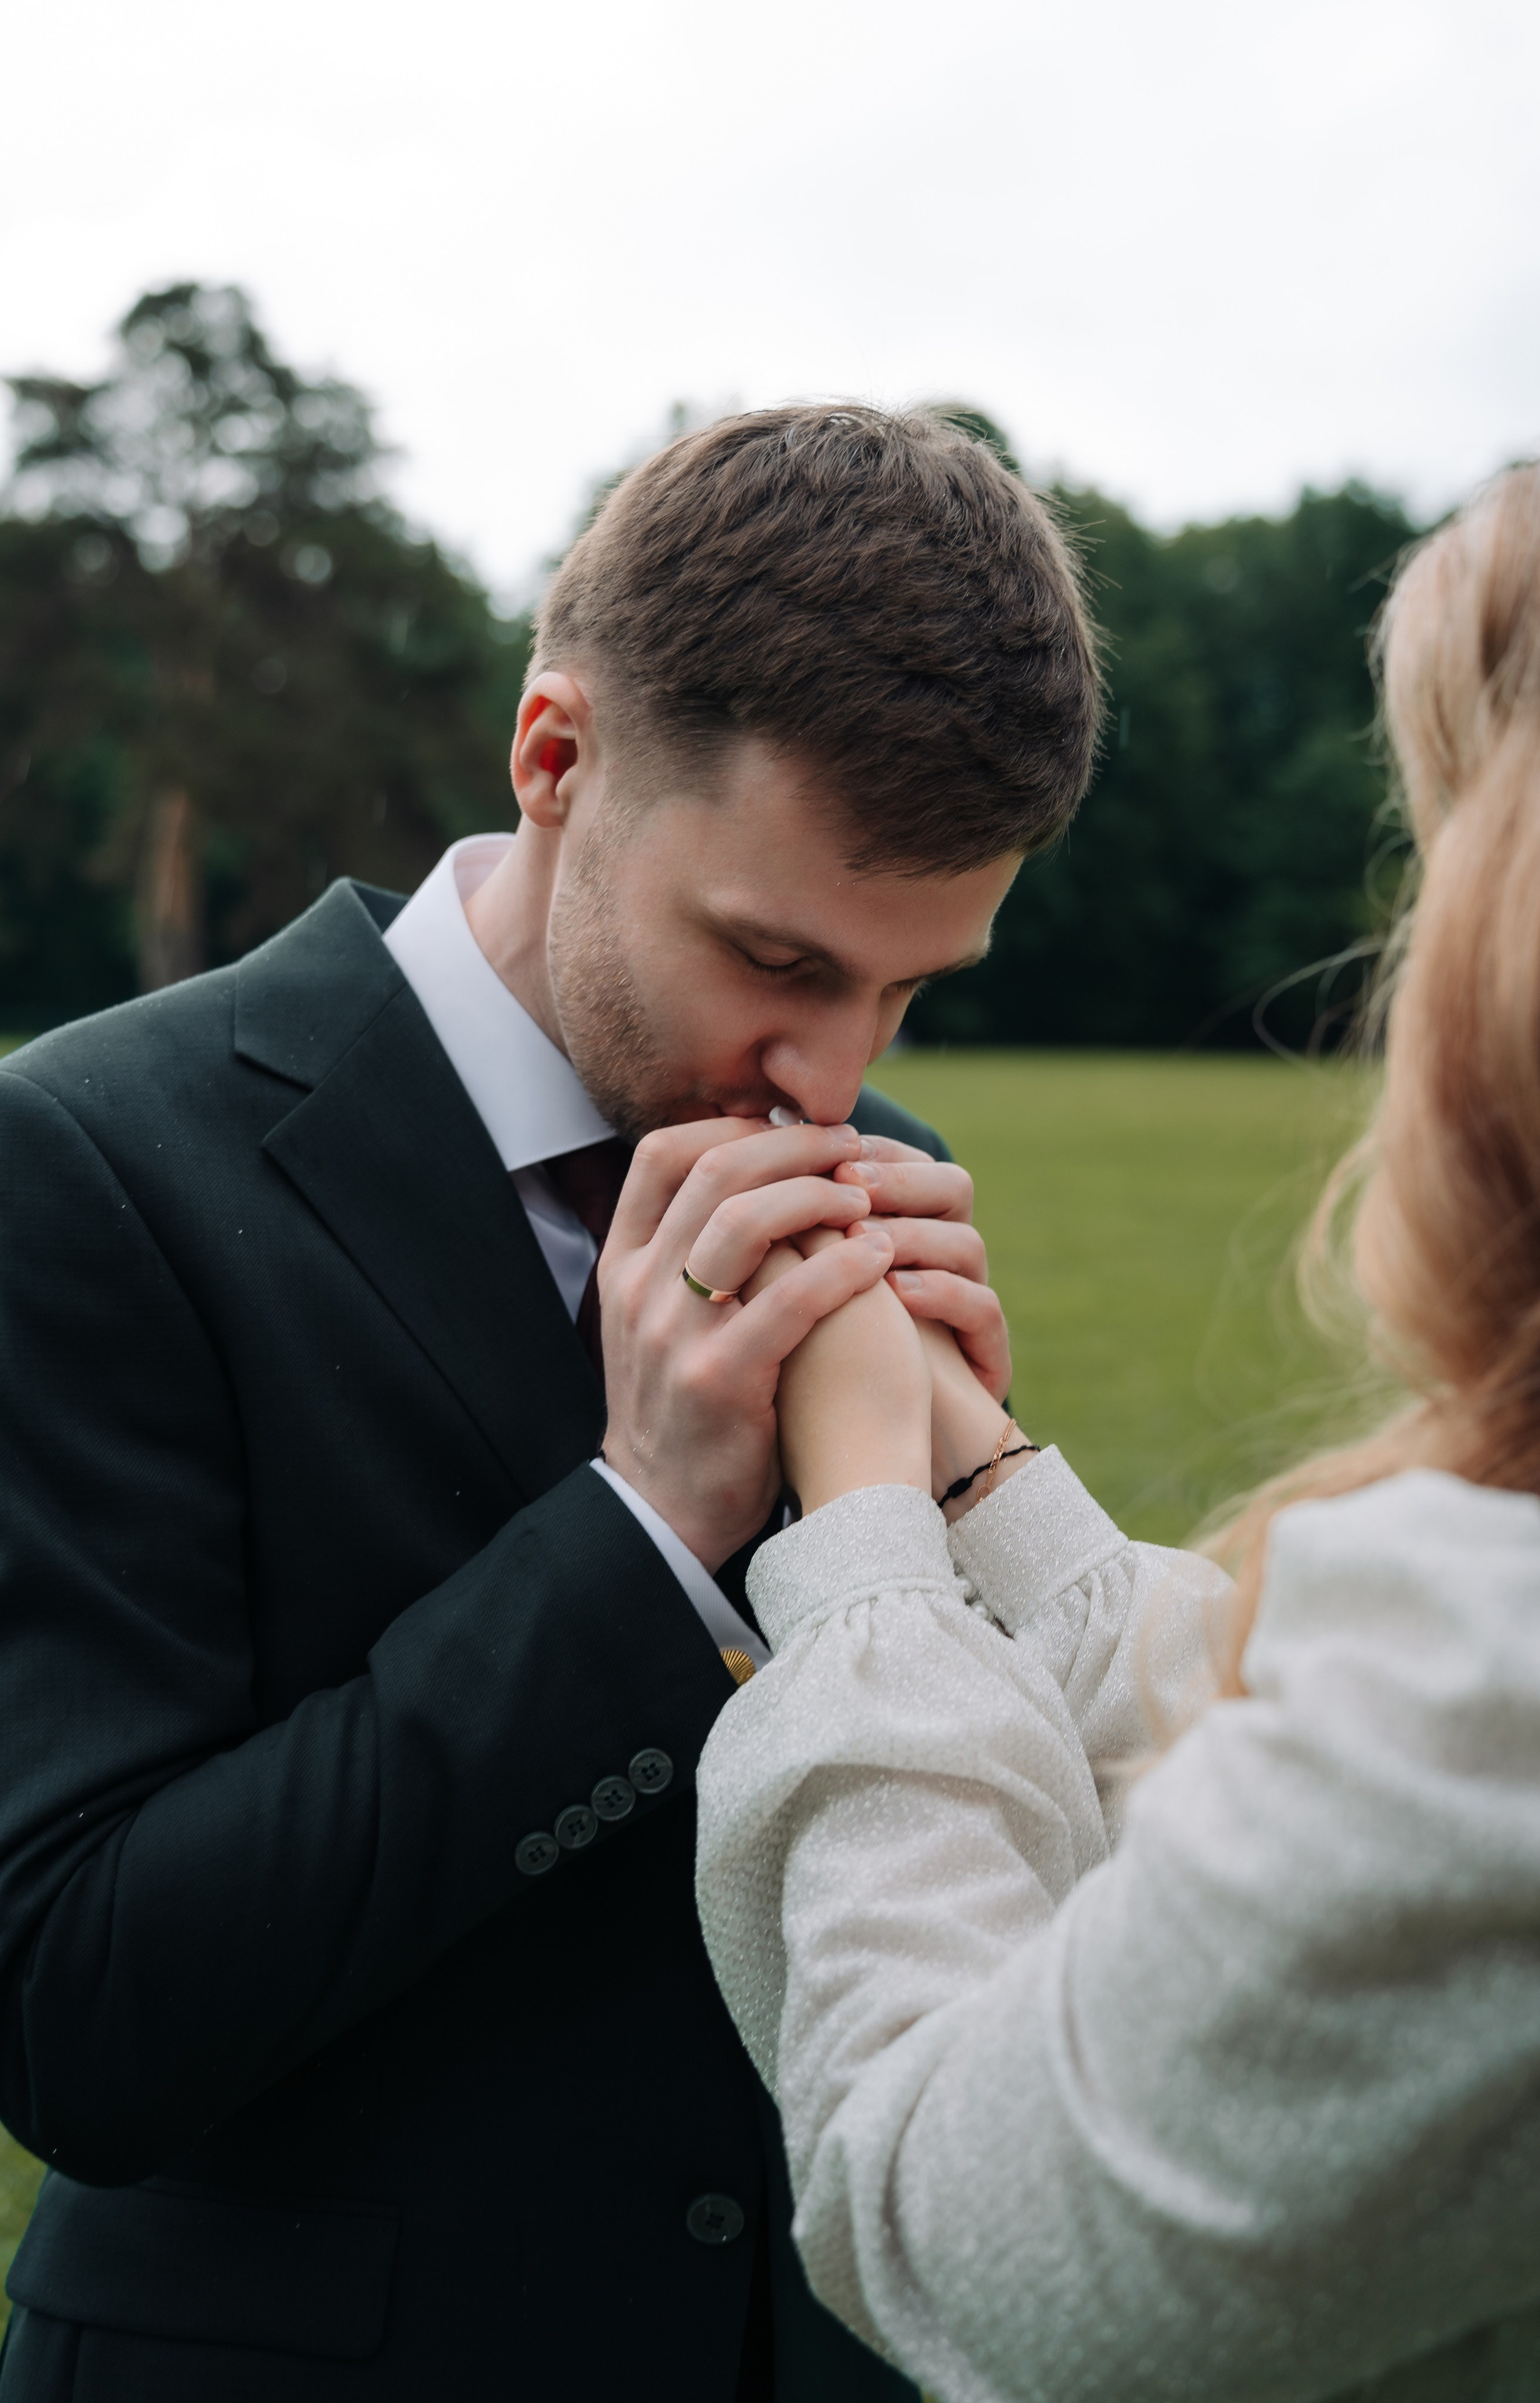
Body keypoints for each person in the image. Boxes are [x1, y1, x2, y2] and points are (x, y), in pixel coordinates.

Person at [0, 406, 1100, 2400]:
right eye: (776, 957)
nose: (835, 1082)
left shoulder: (876, 1169)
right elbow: (82, 2015)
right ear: (558, 760)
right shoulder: (85, 1159)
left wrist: (977, 1529)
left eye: (908, 992)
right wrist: (637, 1532)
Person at [695, 427, 1540, 2403]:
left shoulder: (1527, 1695)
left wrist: (858, 1519)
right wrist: (988, 1477)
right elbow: (1288, 1840)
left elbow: (955, 2218)